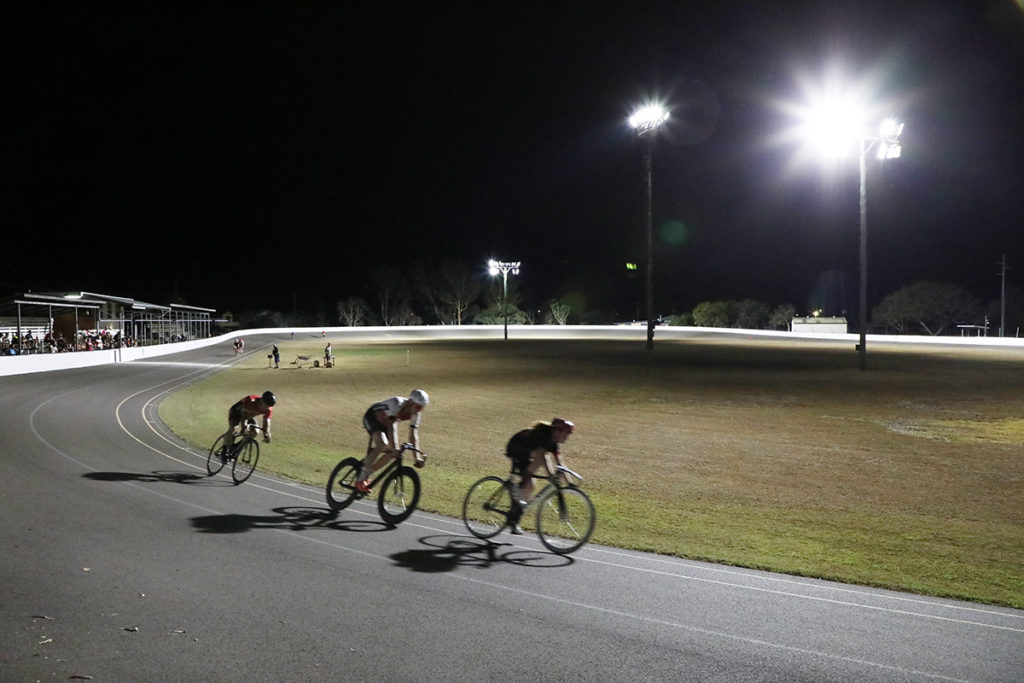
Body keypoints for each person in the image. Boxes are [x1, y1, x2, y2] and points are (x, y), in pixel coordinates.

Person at [504, 418, 575, 533]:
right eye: (566, 434)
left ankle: (516, 512)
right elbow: (543, 458)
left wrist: (570, 482)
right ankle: (517, 502)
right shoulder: (543, 435)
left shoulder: (553, 442)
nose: (566, 438)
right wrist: (551, 475)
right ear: (557, 431)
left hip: (526, 452)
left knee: (531, 485)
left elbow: (560, 463)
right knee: (536, 466)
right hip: (516, 448)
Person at [355, 390, 429, 493]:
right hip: (372, 418)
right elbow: (391, 426)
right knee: (383, 443)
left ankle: (368, 473)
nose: (419, 411)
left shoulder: (416, 414)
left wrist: (417, 458)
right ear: (411, 402)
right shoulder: (396, 403)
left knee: (392, 454)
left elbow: (413, 435)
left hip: (385, 424)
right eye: (418, 407)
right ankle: (360, 480)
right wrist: (394, 448)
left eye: (421, 408)